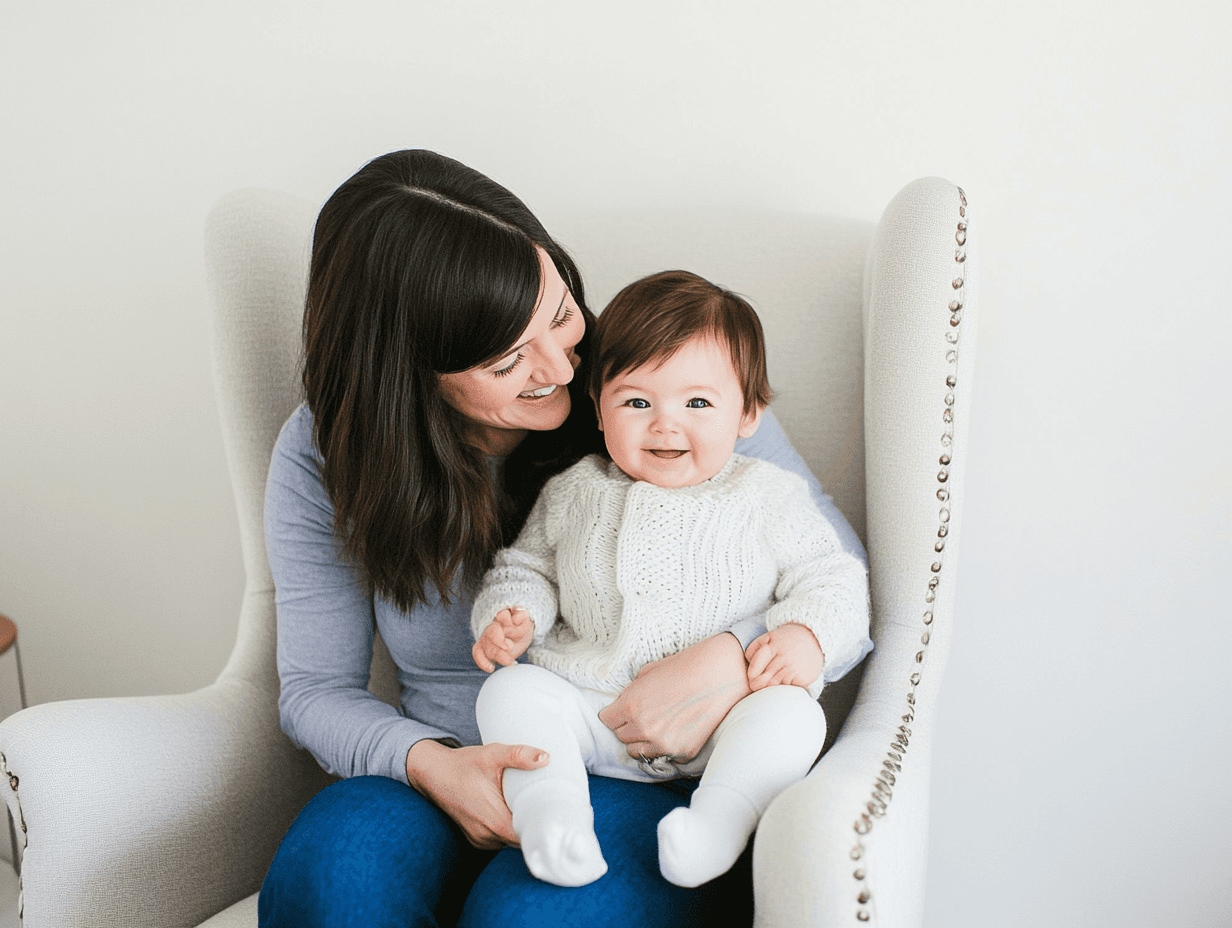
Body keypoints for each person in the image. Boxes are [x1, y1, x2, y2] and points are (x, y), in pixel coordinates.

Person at [258, 149, 870, 928]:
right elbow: (317, 691)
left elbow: (837, 577)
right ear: (409, 374)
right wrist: (433, 767)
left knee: (535, 921)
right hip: (437, 766)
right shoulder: (327, 452)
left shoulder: (653, 381)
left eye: (558, 313)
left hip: (632, 766)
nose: (563, 365)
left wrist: (732, 657)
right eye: (508, 358)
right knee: (330, 882)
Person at [470, 270, 871, 890]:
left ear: (749, 413)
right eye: (636, 402)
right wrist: (511, 615)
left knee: (793, 717)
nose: (665, 425)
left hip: (721, 724)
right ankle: (553, 809)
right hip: (595, 714)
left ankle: (718, 826)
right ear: (598, 410)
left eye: (698, 403)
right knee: (507, 695)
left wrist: (808, 637)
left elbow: (835, 580)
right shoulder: (574, 492)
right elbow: (527, 568)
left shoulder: (766, 497)